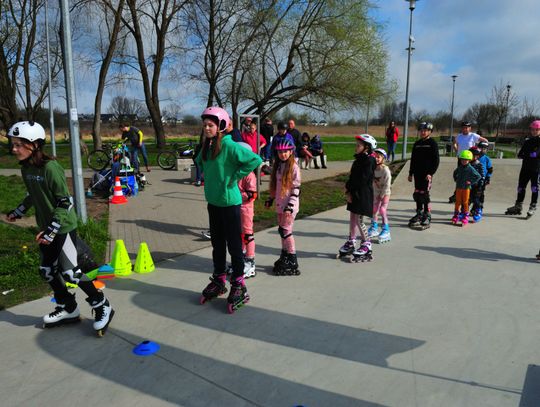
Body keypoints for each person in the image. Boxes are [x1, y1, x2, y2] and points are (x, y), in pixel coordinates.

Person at [5, 121, 114, 335]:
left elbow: (65, 202)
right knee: (46, 271)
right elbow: (34, 194)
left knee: (71, 272)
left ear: (34, 144)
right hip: (47, 228)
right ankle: (69, 308)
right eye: (13, 144)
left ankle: (102, 305)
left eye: (19, 144)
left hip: (62, 227)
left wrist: (51, 230)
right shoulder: (27, 168)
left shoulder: (50, 168)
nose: (14, 149)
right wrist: (18, 211)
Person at [196, 107, 262, 313]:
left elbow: (255, 159)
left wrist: (235, 176)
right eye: (205, 125)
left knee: (234, 246)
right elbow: (200, 162)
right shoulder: (207, 146)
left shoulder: (230, 146)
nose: (206, 128)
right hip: (214, 203)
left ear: (221, 126)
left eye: (210, 125)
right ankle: (219, 279)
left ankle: (239, 284)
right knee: (217, 245)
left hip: (230, 204)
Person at [265, 139, 301, 275]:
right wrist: (270, 198)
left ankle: (292, 258)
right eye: (280, 152)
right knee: (282, 231)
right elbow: (276, 186)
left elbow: (296, 189)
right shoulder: (278, 166)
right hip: (280, 204)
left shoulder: (294, 168)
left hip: (289, 206)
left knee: (286, 231)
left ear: (291, 151)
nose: (283, 154)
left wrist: (290, 206)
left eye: (285, 151)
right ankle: (285, 254)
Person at [337, 134, 376, 262]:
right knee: (352, 218)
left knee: (359, 220)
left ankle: (367, 244)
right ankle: (352, 241)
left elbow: (362, 180)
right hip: (354, 193)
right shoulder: (357, 160)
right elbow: (352, 177)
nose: (356, 147)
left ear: (366, 148)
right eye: (356, 145)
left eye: (358, 145)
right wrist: (348, 191)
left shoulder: (369, 161)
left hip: (363, 195)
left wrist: (350, 189)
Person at [408, 122, 440, 229]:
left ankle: (427, 214)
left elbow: (436, 160)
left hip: (427, 174)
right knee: (417, 194)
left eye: (425, 130)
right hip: (417, 173)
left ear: (430, 132)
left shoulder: (432, 143)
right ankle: (419, 213)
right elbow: (413, 160)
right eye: (421, 130)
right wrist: (410, 173)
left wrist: (431, 173)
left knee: (424, 194)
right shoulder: (417, 144)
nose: (423, 132)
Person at [505, 120, 540, 217]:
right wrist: (527, 155)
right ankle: (518, 205)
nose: (534, 131)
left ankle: (533, 206)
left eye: (537, 130)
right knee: (520, 188)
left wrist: (531, 154)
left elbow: (536, 154)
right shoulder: (528, 141)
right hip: (525, 168)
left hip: (536, 169)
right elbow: (520, 154)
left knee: (534, 188)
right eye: (533, 129)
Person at [449, 121, 488, 203]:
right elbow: (454, 143)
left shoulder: (473, 135)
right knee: (460, 176)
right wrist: (457, 150)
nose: (465, 129)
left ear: (470, 128)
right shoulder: (459, 136)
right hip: (461, 158)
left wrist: (479, 151)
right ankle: (457, 193)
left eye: (467, 127)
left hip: (471, 159)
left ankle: (469, 194)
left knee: (469, 176)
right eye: (463, 127)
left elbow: (485, 140)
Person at [237, 142, 258, 278]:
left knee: (247, 234)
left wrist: (236, 194)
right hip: (235, 207)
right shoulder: (236, 171)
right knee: (238, 234)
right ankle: (241, 257)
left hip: (245, 208)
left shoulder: (249, 175)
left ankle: (250, 261)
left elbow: (252, 195)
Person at [368, 148, 392, 243]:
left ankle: (386, 230)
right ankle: (374, 228)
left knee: (382, 210)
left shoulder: (385, 170)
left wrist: (382, 194)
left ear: (383, 159)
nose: (376, 158)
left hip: (385, 193)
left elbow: (387, 184)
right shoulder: (372, 169)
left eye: (379, 157)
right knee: (374, 210)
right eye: (375, 156)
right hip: (376, 192)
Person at [452, 150, 481, 226]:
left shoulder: (470, 168)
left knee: (465, 202)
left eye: (466, 160)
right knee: (457, 202)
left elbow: (478, 176)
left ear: (469, 160)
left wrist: (471, 182)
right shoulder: (460, 167)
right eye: (462, 159)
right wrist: (456, 179)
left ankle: (465, 216)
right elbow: (455, 173)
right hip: (458, 187)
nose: (464, 161)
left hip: (466, 188)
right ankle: (456, 215)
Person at [468, 146, 486, 222]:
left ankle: (478, 211)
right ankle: (464, 212)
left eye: (472, 155)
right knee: (467, 200)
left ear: (477, 156)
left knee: (476, 199)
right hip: (468, 186)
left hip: (477, 186)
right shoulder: (468, 164)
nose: (470, 157)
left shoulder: (479, 165)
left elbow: (482, 176)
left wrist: (480, 185)